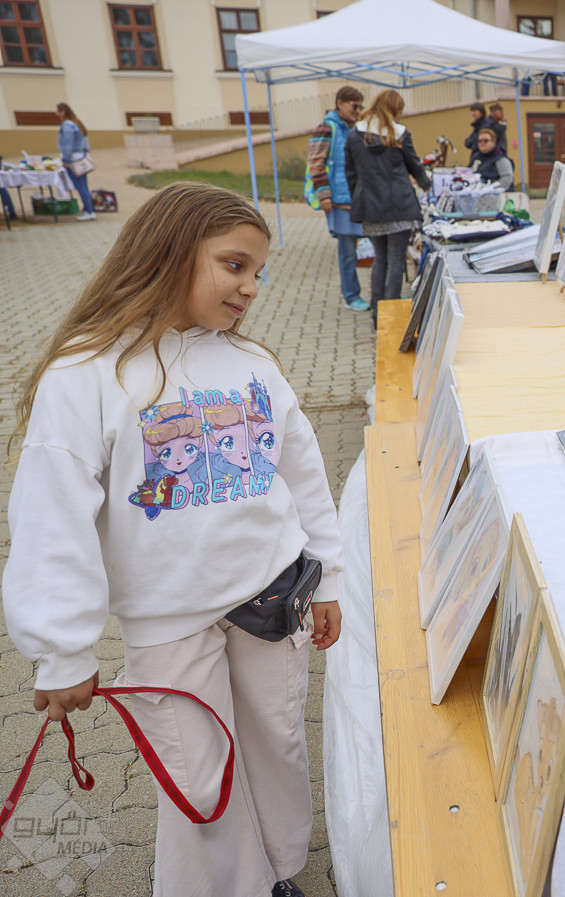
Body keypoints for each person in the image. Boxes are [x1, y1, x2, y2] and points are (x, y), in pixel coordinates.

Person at [2, 182, 344, 897]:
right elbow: (52, 515)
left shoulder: (254, 364)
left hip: (272, 599)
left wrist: (329, 575)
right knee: (197, 778)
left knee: (277, 745)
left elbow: (304, 471)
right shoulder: (87, 371)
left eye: (258, 272)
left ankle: (280, 871)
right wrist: (63, 650)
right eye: (234, 265)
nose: (251, 287)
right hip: (169, 622)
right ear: (167, 252)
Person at [345, 89, 431, 318]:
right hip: (400, 205)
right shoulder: (399, 133)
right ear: (395, 109)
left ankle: (377, 311)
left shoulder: (354, 134)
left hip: (370, 207)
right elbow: (414, 165)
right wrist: (426, 184)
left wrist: (358, 197)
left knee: (380, 258)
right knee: (396, 260)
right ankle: (390, 314)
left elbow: (350, 173)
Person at [306, 85, 367, 311]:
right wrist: (324, 195)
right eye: (354, 106)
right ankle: (351, 296)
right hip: (339, 201)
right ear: (340, 103)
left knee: (362, 248)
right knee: (348, 252)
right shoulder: (327, 128)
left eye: (360, 107)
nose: (358, 111)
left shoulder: (354, 128)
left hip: (357, 198)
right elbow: (316, 163)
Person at [56, 102, 96, 222]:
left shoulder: (67, 125)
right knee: (84, 185)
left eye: (58, 111)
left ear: (63, 111)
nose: (57, 114)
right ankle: (88, 208)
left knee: (80, 186)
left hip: (73, 160)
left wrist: (65, 160)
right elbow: (86, 143)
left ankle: (90, 211)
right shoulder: (77, 123)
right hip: (81, 158)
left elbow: (67, 145)